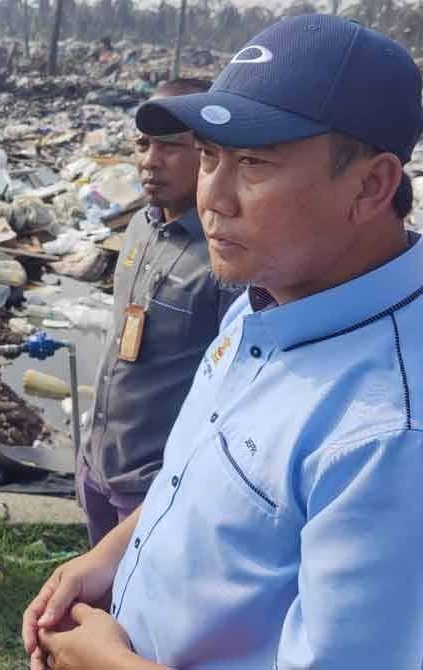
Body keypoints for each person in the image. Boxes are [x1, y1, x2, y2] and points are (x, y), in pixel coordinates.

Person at [24, 14, 423, 669]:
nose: (214, 197)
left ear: (371, 186)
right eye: (210, 156)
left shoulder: (392, 433)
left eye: (254, 163)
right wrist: (107, 557)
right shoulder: (261, 305)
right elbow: (200, 485)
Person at [80, 77, 241, 547]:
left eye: (170, 147)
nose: (150, 160)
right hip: (99, 462)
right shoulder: (137, 227)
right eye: (143, 144)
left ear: (210, 154)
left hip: (155, 485)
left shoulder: (225, 255)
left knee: (138, 614)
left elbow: (229, 392)